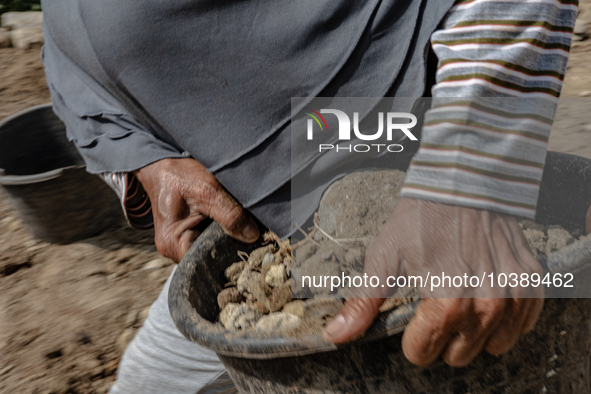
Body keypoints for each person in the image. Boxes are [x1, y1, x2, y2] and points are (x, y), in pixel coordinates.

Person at [40, 0, 578, 392]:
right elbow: (69, 39)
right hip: (266, 237)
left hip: (414, 202)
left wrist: (469, 176)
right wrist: (139, 157)